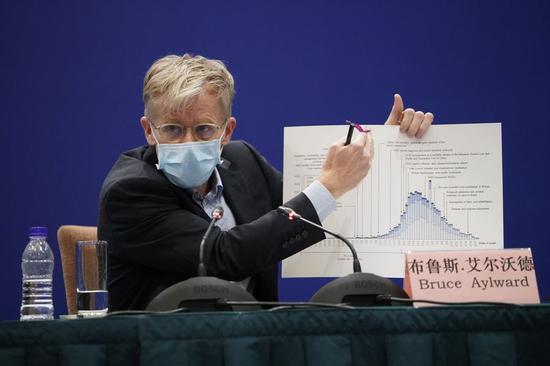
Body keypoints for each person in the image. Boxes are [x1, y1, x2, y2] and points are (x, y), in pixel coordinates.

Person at [98, 54, 434, 310]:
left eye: (203, 129)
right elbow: (223, 256)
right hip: (166, 349)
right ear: (148, 130)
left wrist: (386, 147)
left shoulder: (244, 163)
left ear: (226, 131)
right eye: (172, 129)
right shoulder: (129, 191)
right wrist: (330, 185)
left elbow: (309, 212)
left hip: (255, 344)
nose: (187, 141)